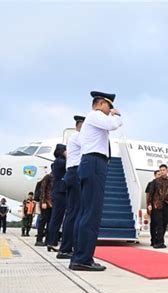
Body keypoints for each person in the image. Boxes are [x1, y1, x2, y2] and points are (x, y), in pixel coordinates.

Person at [70, 91, 123, 271]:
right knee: (91, 214)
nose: (111, 110)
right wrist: (118, 116)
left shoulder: (93, 121)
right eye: (109, 106)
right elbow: (114, 125)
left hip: (91, 163)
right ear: (100, 104)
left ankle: (80, 256)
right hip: (94, 163)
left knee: (86, 212)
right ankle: (82, 259)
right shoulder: (94, 116)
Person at [57, 116, 85, 259]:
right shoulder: (79, 137)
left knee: (73, 212)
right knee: (74, 212)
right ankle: (66, 248)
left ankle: (67, 247)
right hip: (75, 174)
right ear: (80, 126)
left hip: (72, 174)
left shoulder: (75, 138)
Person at [148, 164, 168, 249]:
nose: (162, 171)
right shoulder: (155, 181)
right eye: (160, 170)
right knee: (159, 223)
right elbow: (151, 193)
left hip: (167, 204)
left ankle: (158, 240)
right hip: (157, 204)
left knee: (164, 223)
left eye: (163, 170)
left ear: (167, 170)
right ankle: (160, 242)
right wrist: (150, 204)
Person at [47, 144, 67, 252]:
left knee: (56, 218)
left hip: (58, 192)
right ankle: (52, 242)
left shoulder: (57, 162)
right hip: (60, 192)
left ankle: (51, 242)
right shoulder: (60, 161)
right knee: (56, 218)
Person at [35, 173, 53, 246]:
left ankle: (47, 240)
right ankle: (39, 240)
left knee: (50, 222)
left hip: (52, 204)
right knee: (43, 221)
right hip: (46, 203)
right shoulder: (48, 177)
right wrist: (43, 202)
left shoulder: (56, 177)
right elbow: (43, 190)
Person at [145, 170, 160, 246]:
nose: (159, 175)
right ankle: (153, 240)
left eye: (160, 174)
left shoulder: (163, 184)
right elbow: (148, 196)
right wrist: (148, 206)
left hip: (160, 207)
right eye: (158, 174)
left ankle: (158, 239)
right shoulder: (150, 184)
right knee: (153, 224)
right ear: (155, 175)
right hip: (153, 206)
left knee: (159, 224)